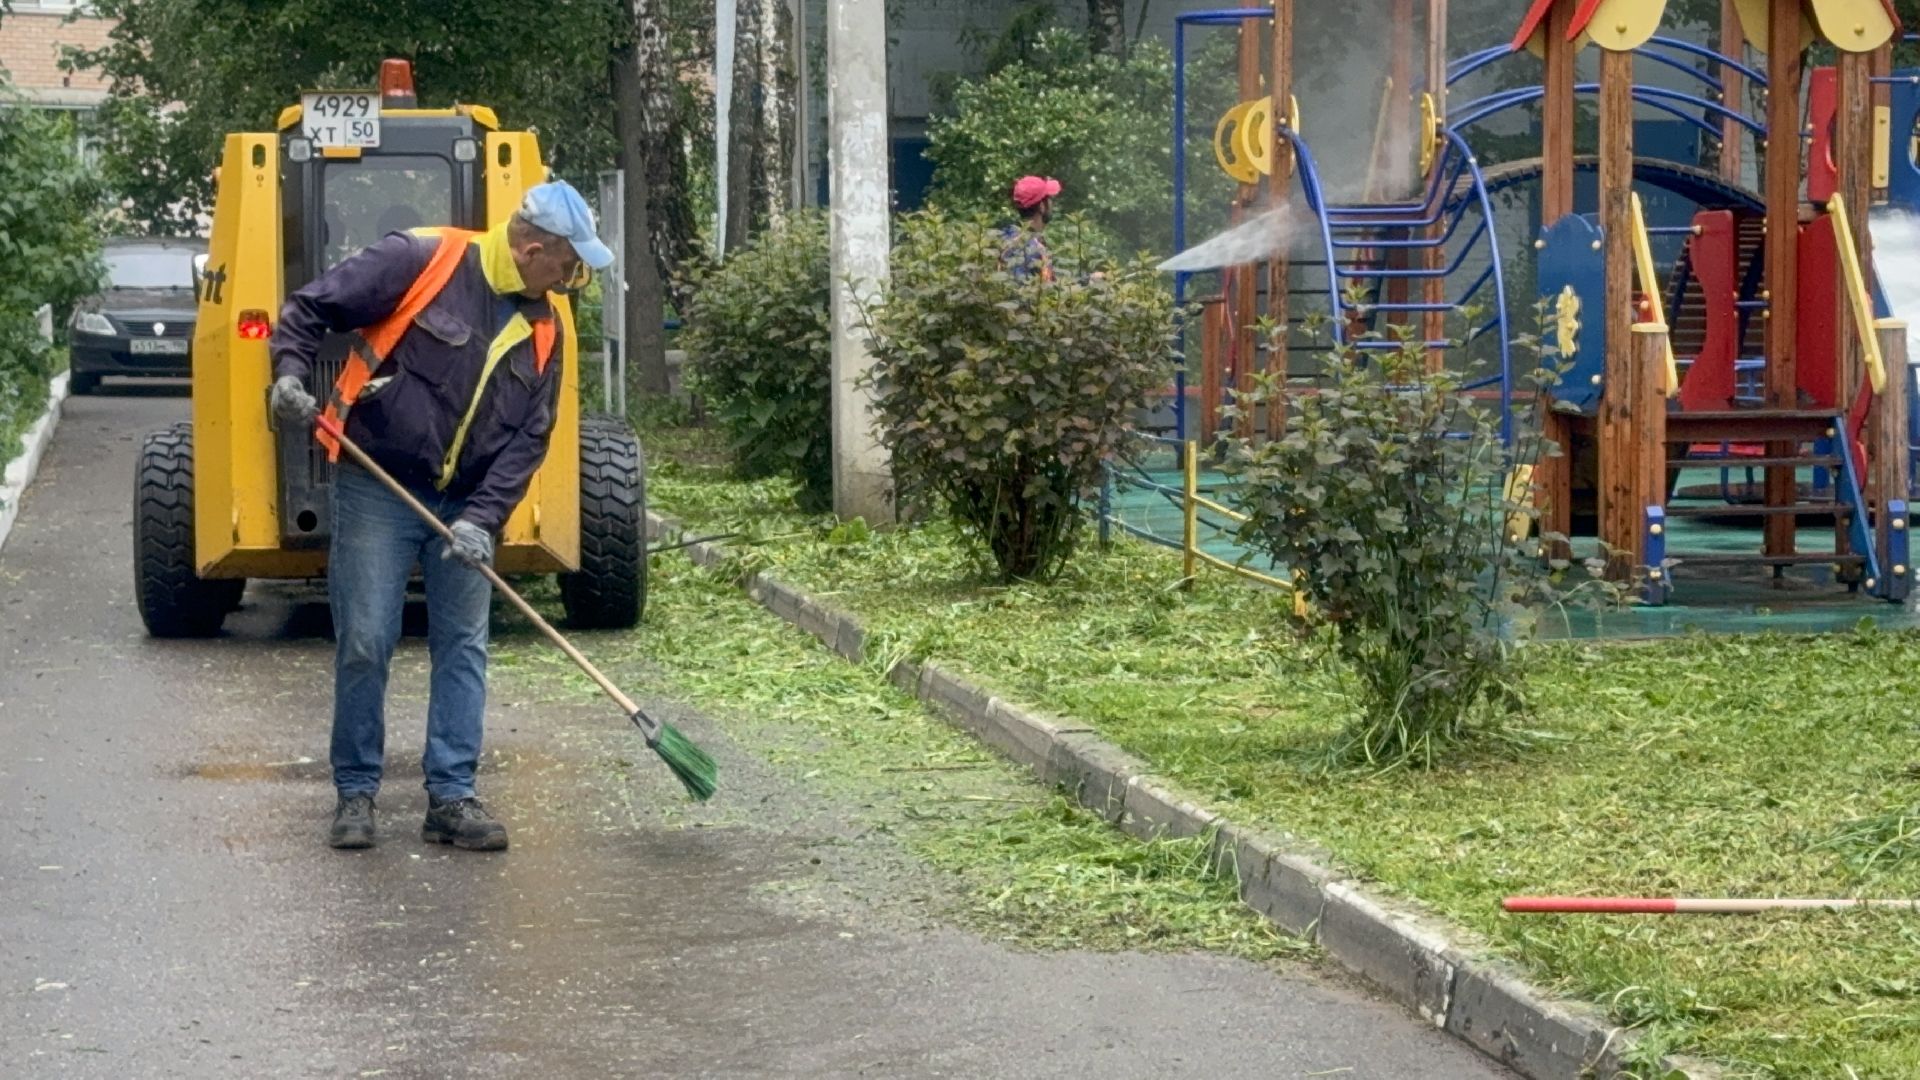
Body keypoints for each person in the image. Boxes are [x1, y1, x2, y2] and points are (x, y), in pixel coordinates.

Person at [268, 180, 614, 852]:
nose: (572, 278)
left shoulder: (547, 327)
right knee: (366, 639)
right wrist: (288, 373)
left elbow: (531, 437)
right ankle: (356, 792)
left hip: (468, 504)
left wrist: (485, 518)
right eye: (568, 263)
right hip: (379, 485)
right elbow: (310, 308)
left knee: (463, 645)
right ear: (532, 249)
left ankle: (452, 798)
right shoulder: (422, 260)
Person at [1001, 174, 1060, 283]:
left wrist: (1086, 281)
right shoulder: (1031, 248)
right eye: (1049, 199)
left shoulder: (1007, 237)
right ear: (1042, 206)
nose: (1052, 204)